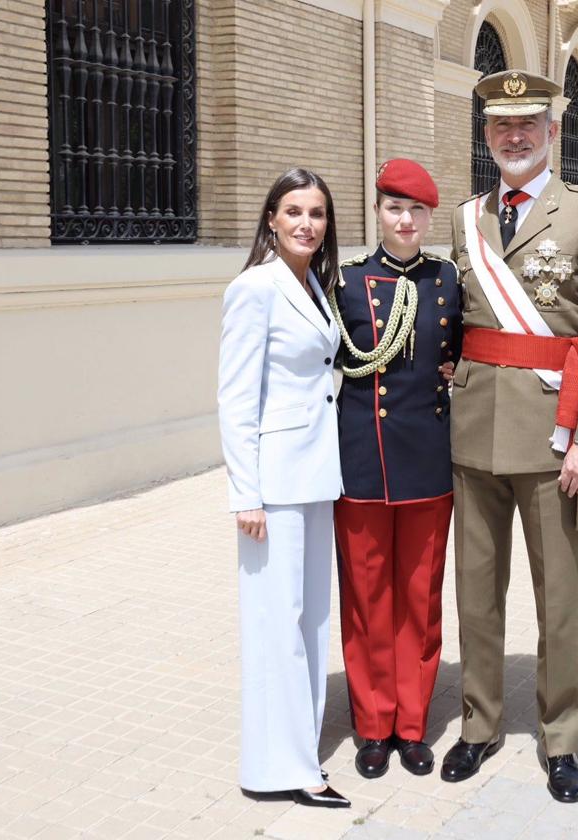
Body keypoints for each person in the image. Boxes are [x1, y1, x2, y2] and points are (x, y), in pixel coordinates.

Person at [440, 70, 578, 803]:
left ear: (552, 132)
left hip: (556, 443)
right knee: (476, 594)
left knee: (559, 599)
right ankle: (480, 723)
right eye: (499, 127)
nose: (514, 137)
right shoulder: (465, 220)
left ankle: (560, 738)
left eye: (528, 125)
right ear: (487, 137)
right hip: (472, 435)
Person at [217, 168, 350, 809]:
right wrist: (246, 493)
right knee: (276, 623)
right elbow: (236, 398)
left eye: (317, 213)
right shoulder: (255, 287)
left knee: (310, 620)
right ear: (271, 218)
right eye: (293, 211)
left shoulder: (316, 285)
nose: (306, 223)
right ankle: (286, 770)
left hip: (317, 475)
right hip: (273, 484)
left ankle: (296, 752)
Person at [327, 159, 462, 780]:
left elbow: (463, 356)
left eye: (416, 211)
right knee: (365, 599)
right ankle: (373, 725)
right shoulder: (345, 280)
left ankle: (412, 726)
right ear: (377, 212)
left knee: (419, 599)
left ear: (429, 217)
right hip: (360, 462)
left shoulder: (448, 280)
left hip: (429, 461)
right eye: (393, 208)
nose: (405, 221)